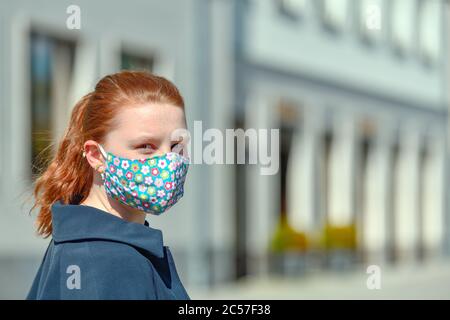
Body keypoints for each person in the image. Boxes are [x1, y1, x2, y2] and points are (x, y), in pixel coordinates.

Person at [26, 70, 191, 300]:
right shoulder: (108, 260)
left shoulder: (84, 243)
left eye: (176, 146)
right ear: (96, 155)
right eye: (146, 146)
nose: (168, 161)